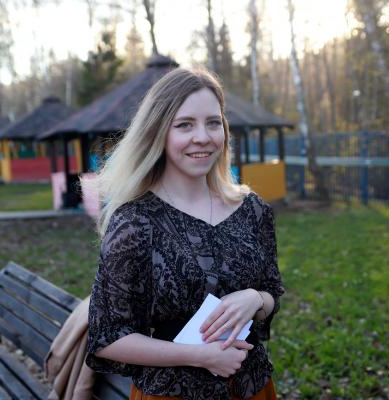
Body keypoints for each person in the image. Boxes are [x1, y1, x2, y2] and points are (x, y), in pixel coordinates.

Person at [86, 67, 284, 400]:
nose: (203, 137)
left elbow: (272, 292)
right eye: (185, 125)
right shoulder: (135, 222)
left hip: (253, 389)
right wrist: (200, 356)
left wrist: (255, 299)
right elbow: (108, 338)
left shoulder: (253, 210)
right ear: (158, 132)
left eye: (213, 122)